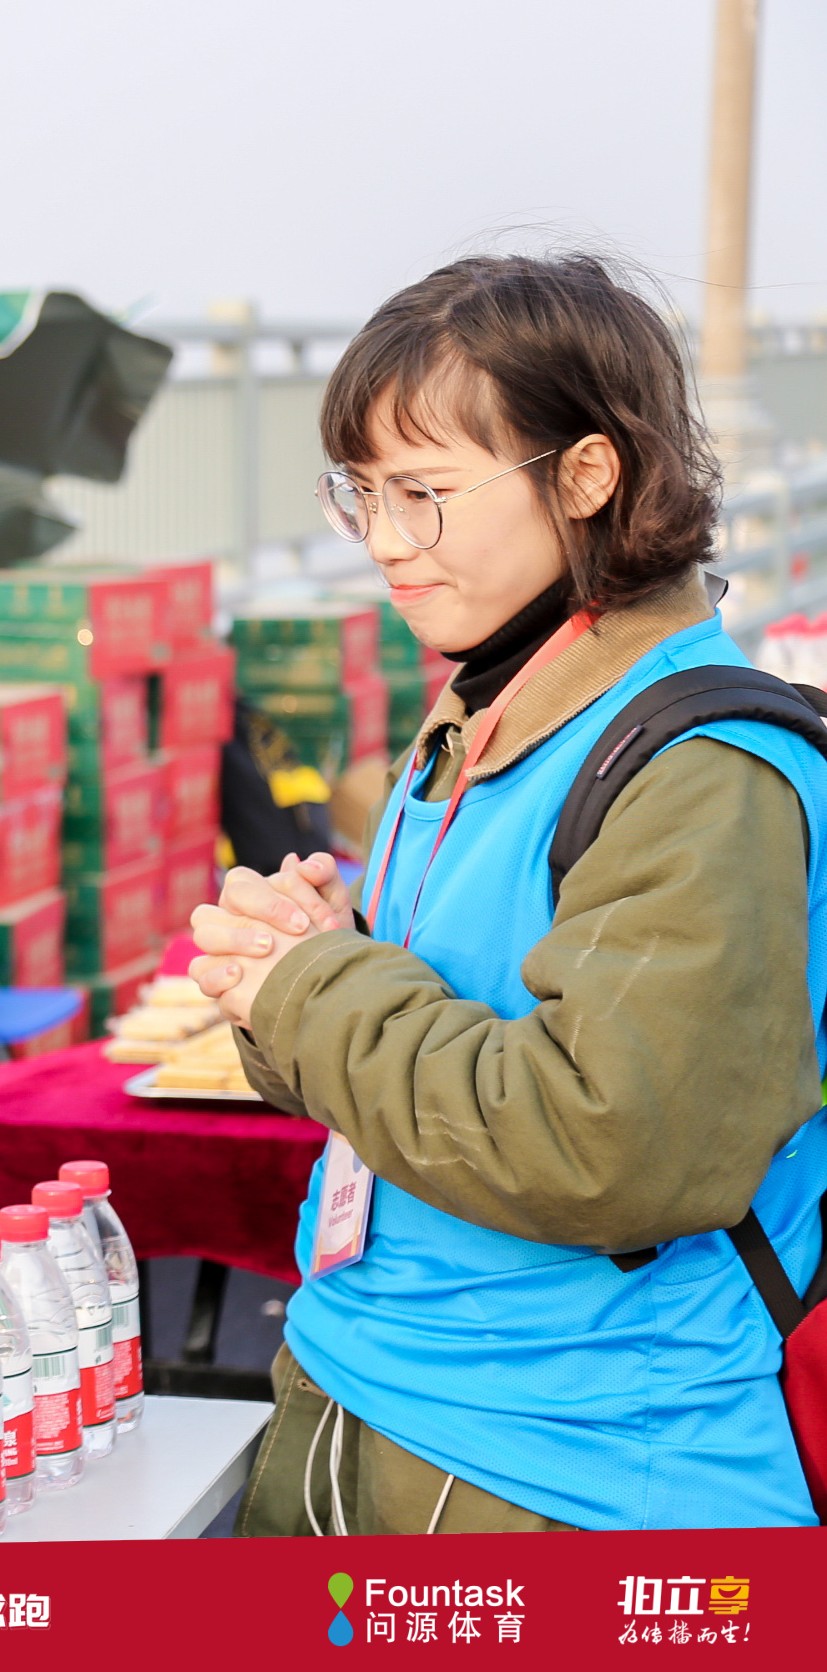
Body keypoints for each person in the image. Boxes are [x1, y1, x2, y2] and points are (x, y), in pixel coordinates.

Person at [191, 253, 825, 1533]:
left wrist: (310, 985)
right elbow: (428, 1034)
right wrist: (293, 968)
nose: (383, 540)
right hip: (368, 1370)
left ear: (586, 475)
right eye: (360, 491)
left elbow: (608, 1146)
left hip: (568, 1459)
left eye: (423, 492)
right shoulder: (489, 704)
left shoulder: (704, 768)